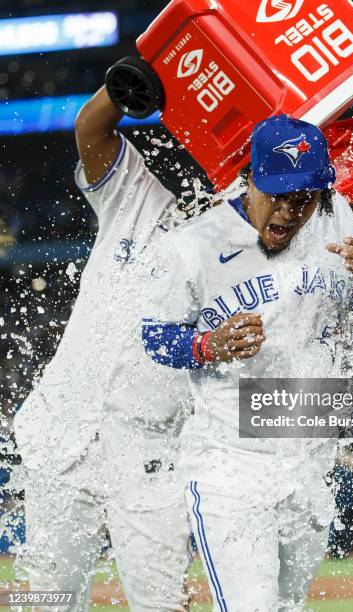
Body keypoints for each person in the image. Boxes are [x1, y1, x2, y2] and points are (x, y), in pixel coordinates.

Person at [142, 114, 353, 611]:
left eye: (300, 199)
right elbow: (155, 338)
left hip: (308, 462)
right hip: (229, 465)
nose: (285, 211)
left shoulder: (335, 219)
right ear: (248, 179)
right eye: (273, 194)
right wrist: (207, 345)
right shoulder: (192, 246)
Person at [14, 86, 192, 612]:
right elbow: (90, 129)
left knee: (161, 604)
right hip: (63, 437)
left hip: (152, 456)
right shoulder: (139, 194)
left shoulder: (245, 245)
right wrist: (118, 88)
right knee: (49, 599)